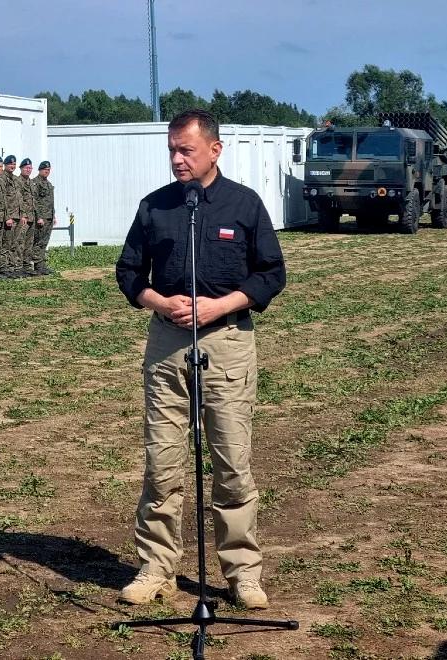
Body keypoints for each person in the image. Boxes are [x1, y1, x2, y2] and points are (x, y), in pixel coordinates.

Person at [114, 109, 286, 610]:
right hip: (167, 344)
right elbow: (128, 273)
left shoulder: (244, 205)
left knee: (232, 463)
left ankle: (242, 574)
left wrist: (221, 305)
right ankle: (156, 567)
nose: (177, 159)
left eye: (186, 150)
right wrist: (157, 302)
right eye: (171, 150)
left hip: (227, 342)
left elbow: (270, 274)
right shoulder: (156, 207)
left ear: (214, 149)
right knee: (161, 462)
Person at [2, 155, 26, 278]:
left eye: (14, 164)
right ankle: (5, 267)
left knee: (15, 243)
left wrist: (22, 215)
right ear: (5, 165)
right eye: (10, 164)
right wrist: (7, 217)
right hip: (9, 217)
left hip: (17, 216)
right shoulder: (2, 178)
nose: (12, 166)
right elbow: (3, 200)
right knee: (6, 243)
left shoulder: (16, 180)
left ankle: (13, 266)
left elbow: (20, 199)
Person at [32, 160, 56, 275]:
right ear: (40, 170)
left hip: (49, 217)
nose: (47, 172)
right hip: (41, 218)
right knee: (38, 241)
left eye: (48, 170)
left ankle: (41, 264)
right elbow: (34, 202)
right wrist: (38, 217)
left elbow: (50, 202)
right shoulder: (36, 183)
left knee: (44, 242)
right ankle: (37, 265)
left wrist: (53, 216)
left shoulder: (48, 184)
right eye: (45, 170)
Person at [17, 158, 37, 274]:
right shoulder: (18, 182)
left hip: (32, 217)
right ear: (21, 168)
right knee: (20, 242)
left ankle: (26, 265)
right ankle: (19, 265)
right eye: (26, 168)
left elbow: (34, 201)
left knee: (29, 243)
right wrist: (22, 215)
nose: (28, 170)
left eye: (30, 168)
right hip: (23, 218)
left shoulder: (31, 182)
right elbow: (19, 201)